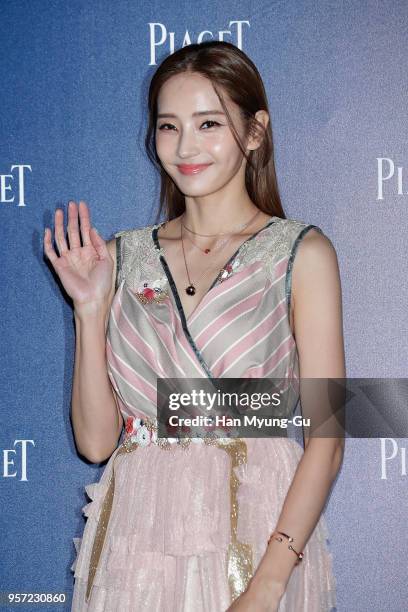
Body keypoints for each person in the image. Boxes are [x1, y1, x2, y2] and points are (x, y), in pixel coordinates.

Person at [44, 40, 345, 611]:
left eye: (208, 123)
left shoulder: (299, 254)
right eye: (168, 126)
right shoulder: (120, 257)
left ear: (255, 132)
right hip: (137, 541)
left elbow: (326, 438)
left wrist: (269, 583)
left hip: (256, 533)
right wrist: (89, 309)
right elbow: (96, 442)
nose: (185, 147)